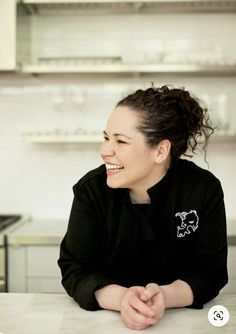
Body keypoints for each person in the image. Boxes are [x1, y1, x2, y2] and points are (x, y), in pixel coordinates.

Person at [58, 85, 228, 330]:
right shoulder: (91, 191)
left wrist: (164, 297)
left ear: (160, 151)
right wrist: (122, 299)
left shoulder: (202, 190)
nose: (105, 150)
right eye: (106, 138)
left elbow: (210, 273)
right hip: (104, 324)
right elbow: (75, 269)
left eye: (121, 141)